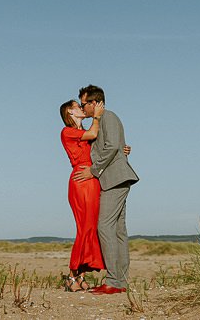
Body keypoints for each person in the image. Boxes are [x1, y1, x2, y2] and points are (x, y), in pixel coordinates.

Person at [58, 98, 131, 292]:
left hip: (93, 179)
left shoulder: (84, 134)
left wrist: (123, 150)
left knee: (91, 227)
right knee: (85, 227)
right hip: (82, 179)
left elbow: (104, 148)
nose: (80, 108)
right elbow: (94, 133)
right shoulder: (68, 132)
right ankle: (72, 275)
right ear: (70, 113)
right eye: (76, 106)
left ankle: (81, 275)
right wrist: (97, 117)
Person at [72, 84, 139, 295]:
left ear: (94, 103)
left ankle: (113, 281)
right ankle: (120, 281)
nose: (83, 108)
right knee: (119, 230)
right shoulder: (101, 121)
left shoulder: (108, 117)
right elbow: (114, 146)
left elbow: (110, 147)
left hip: (113, 180)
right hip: (117, 179)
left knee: (104, 227)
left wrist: (93, 170)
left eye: (84, 104)